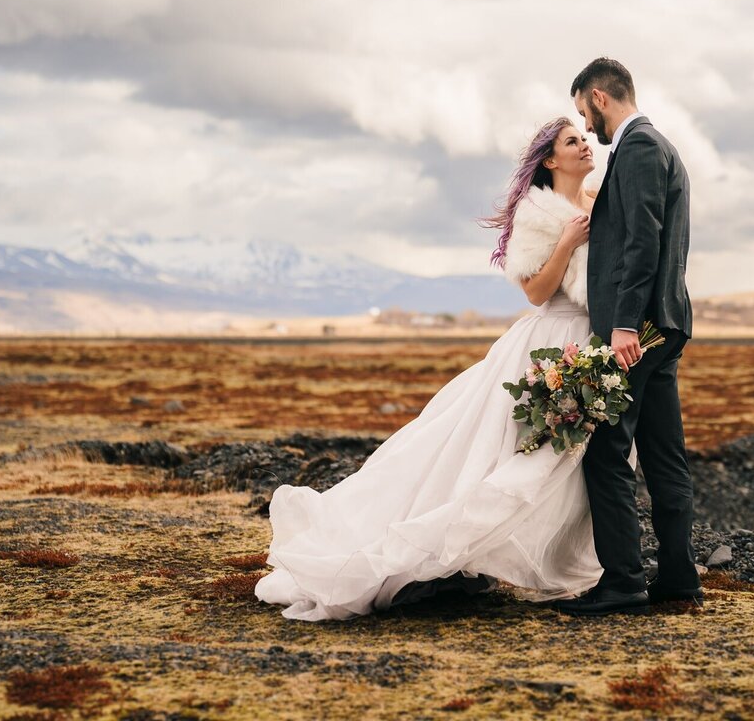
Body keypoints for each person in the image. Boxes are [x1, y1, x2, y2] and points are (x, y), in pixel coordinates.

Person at [255, 116, 628, 621]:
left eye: (585, 139)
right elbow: (537, 292)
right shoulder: (538, 214)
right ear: (549, 160)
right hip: (550, 344)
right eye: (572, 141)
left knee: (573, 464)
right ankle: (438, 548)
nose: (585, 146)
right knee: (513, 455)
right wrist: (565, 242)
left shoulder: (599, 200)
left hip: (591, 343)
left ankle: (568, 565)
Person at [552, 58, 700, 616]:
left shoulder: (638, 148)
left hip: (637, 328)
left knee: (606, 449)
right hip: (666, 323)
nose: (586, 127)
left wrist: (621, 324)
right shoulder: (663, 147)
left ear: (598, 96)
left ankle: (623, 580)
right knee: (663, 453)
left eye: (583, 113)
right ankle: (680, 577)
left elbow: (643, 241)